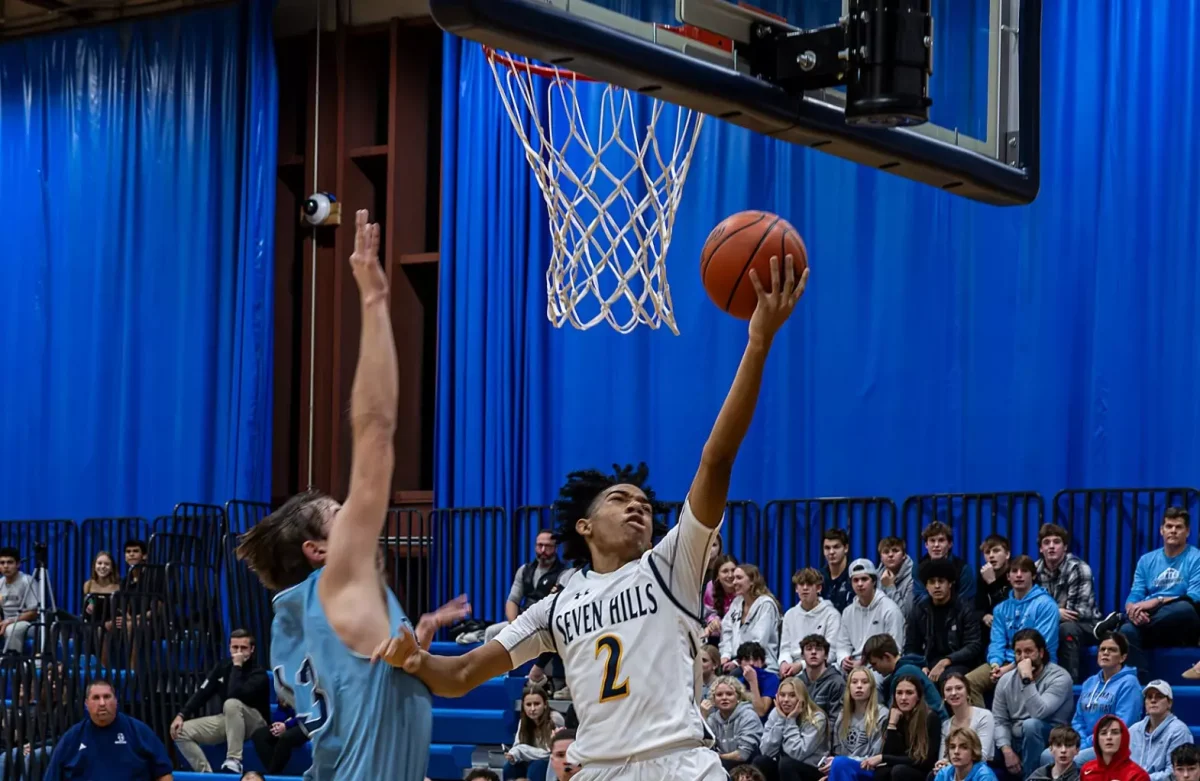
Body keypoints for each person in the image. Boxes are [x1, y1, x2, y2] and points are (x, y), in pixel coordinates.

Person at [372, 257, 809, 780]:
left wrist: (757, 343)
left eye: (645, 505)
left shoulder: (671, 565)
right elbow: (464, 672)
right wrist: (418, 663)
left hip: (680, 763)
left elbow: (716, 458)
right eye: (621, 500)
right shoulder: (553, 608)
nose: (638, 508)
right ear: (583, 525)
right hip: (598, 769)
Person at [234, 210, 470, 781]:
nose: (358, 513)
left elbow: (356, 685)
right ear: (319, 550)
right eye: (338, 515)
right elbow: (374, 437)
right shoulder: (337, 579)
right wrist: (373, 300)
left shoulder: (306, 625)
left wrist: (419, 630)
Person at [42, 679, 173, 781]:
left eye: (107, 696)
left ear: (116, 701)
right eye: (96, 698)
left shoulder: (139, 732)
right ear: (86, 704)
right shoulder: (71, 739)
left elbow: (164, 774)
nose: (102, 703)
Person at [1066, 633, 1142, 766]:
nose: (1105, 653)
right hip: (1085, 743)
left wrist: (1086, 744)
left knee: (1077, 760)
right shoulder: (1090, 682)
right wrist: (1081, 741)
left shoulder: (1130, 683)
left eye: (1112, 650)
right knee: (1047, 756)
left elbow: (1123, 723)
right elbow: (1078, 719)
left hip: (1112, 745)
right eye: (1102, 649)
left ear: (1123, 657)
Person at [1128, 681, 1194, 781]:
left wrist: (1141, 779)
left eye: (1159, 696)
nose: (1153, 700)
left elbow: (1174, 774)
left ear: (1169, 703)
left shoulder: (1179, 731)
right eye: (1149, 697)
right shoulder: (1133, 730)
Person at [1080, 716, 1150, 781]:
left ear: (1123, 737)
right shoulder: (1087, 770)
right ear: (1096, 739)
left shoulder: (1138, 776)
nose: (1109, 737)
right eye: (1103, 733)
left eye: (1115, 733)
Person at [931, 726, 998, 781]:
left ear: (974, 752)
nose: (956, 751)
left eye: (964, 747)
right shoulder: (943, 774)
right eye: (952, 747)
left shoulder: (985, 776)